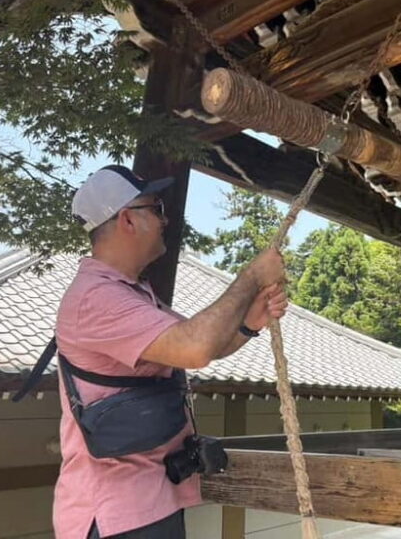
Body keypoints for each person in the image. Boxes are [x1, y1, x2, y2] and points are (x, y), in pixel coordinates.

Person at [54, 165, 288, 538]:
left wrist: (249, 324)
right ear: (127, 219)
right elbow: (195, 347)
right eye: (156, 208)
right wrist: (251, 277)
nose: (165, 219)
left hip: (148, 502)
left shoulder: (130, 293)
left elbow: (200, 343)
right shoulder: (96, 298)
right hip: (118, 511)